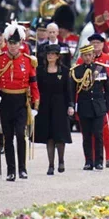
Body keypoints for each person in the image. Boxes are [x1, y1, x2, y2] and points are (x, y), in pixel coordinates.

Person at [0, 22, 40, 181]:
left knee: (20, 134)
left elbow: (33, 83)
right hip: (5, 101)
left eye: (15, 43)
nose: (12, 46)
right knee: (7, 136)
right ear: (7, 43)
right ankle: (11, 171)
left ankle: (22, 169)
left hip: (21, 101)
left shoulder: (27, 60)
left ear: (21, 44)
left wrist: (35, 104)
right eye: (10, 43)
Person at [34, 44, 73, 175]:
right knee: (48, 135)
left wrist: (70, 105)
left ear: (57, 56)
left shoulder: (65, 70)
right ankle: (50, 164)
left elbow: (68, 90)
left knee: (60, 134)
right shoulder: (40, 70)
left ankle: (61, 160)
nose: (50, 56)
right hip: (45, 105)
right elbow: (36, 88)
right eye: (48, 54)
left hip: (60, 105)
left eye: (52, 54)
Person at [85, 33, 109, 168]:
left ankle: (108, 157)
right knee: (89, 133)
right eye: (92, 43)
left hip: (104, 100)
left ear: (102, 45)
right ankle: (92, 158)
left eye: (98, 43)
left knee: (106, 131)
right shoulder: (82, 60)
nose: (95, 45)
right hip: (88, 101)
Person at [72, 44, 109, 170]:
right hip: (84, 107)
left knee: (98, 134)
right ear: (82, 56)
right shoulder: (76, 71)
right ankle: (88, 161)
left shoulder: (100, 69)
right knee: (87, 136)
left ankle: (99, 161)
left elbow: (108, 89)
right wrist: (73, 105)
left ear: (93, 55)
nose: (88, 57)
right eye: (85, 55)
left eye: (90, 55)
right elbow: (72, 91)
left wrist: (107, 105)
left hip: (98, 107)